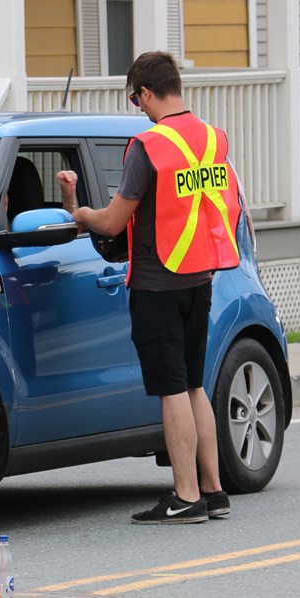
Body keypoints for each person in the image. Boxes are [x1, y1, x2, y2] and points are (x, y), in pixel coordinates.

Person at [57, 51, 242, 525]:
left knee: (171, 389)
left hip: (158, 283)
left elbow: (114, 221)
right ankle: (213, 491)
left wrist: (80, 213)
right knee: (195, 385)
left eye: (134, 99)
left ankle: (185, 497)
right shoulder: (213, 138)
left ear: (143, 92)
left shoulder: (148, 146)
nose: (137, 108)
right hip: (200, 276)